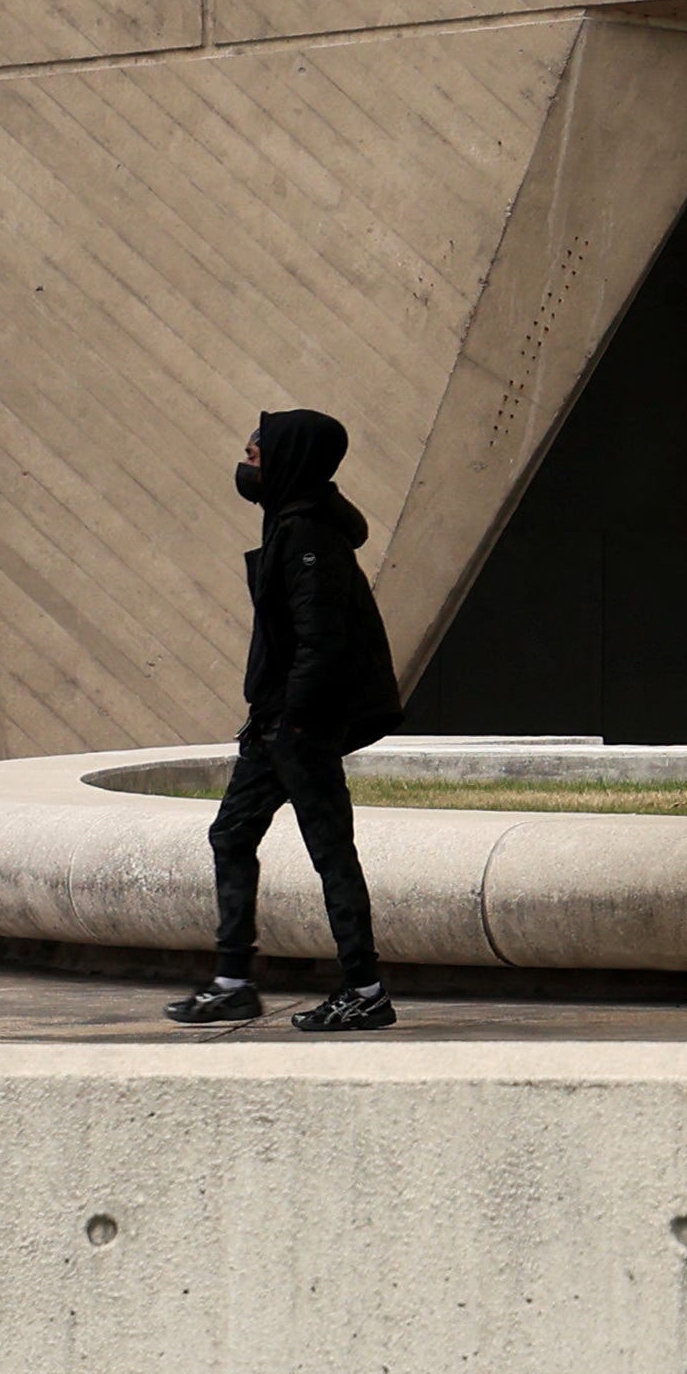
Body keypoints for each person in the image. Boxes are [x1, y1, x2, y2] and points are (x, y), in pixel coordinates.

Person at [180, 405, 404, 1031]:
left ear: (290, 461)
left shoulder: (309, 535)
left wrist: (297, 722)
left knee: (330, 851)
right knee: (231, 835)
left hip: (297, 724)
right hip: (275, 720)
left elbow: (321, 640)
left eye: (256, 455)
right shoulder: (290, 523)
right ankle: (232, 983)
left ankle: (364, 991)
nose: (246, 462)